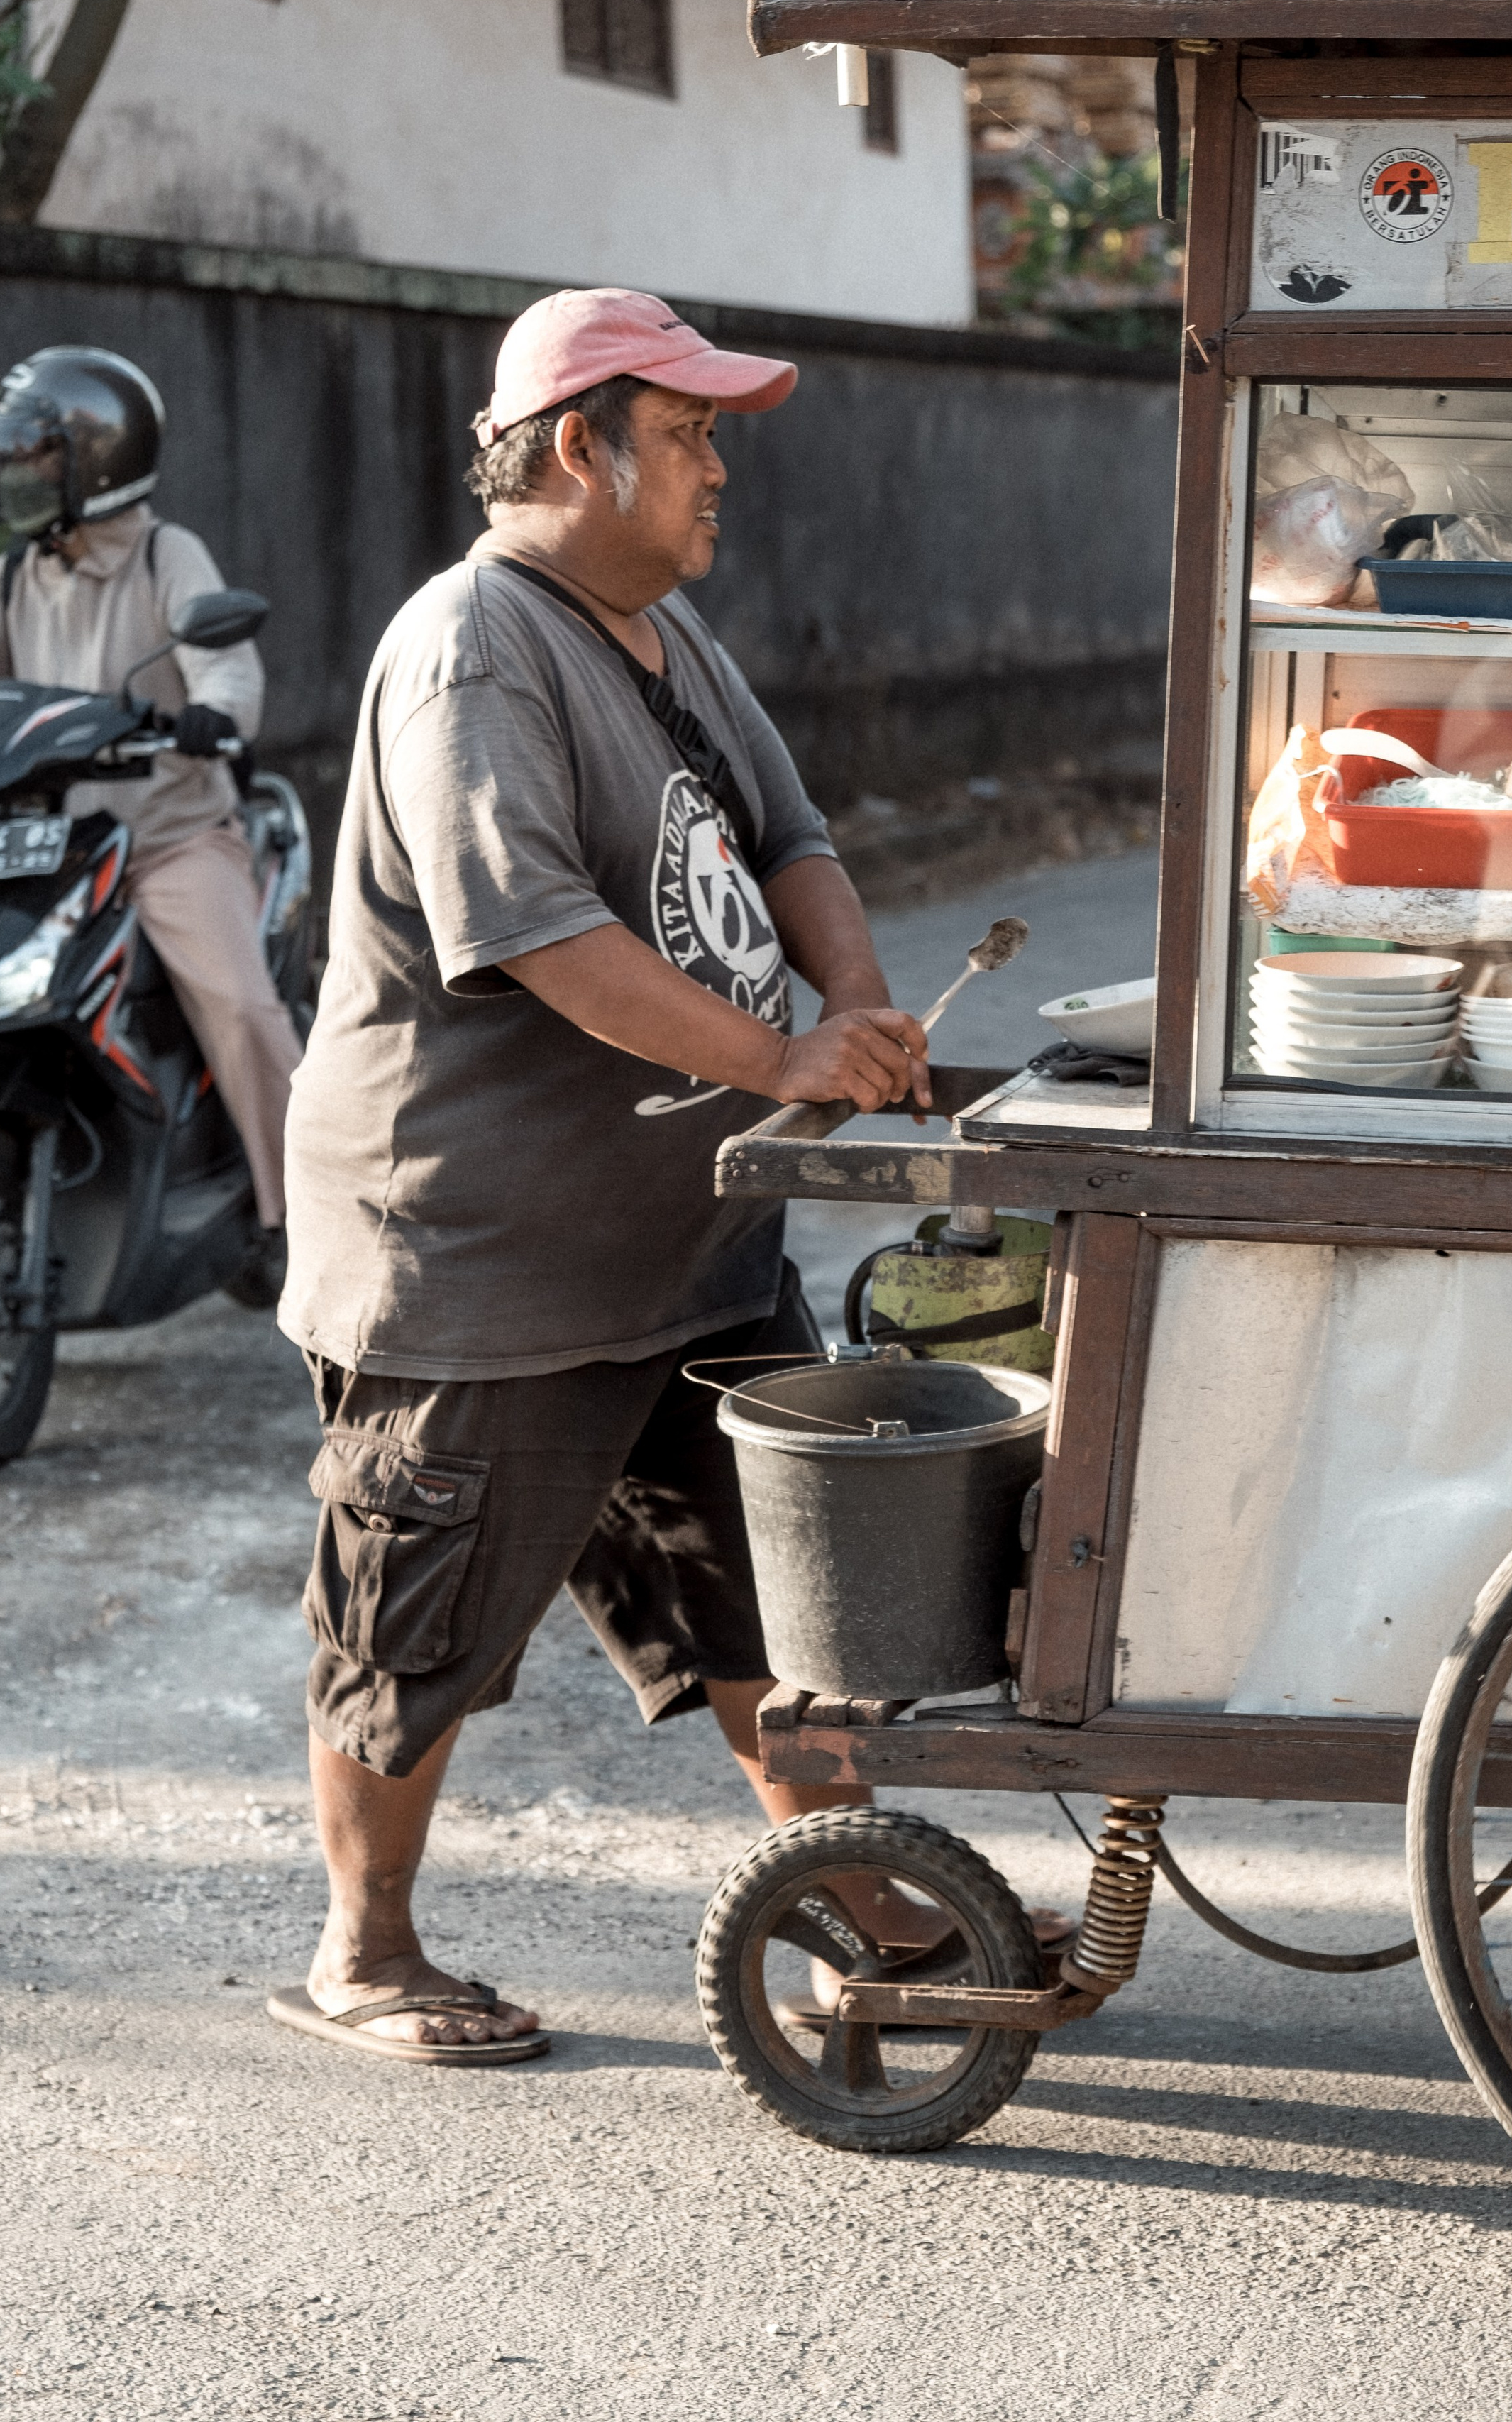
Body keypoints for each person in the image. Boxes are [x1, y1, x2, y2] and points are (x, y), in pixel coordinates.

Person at [268, 286, 966, 2064]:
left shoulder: (664, 635)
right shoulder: (478, 645)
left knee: (778, 1589)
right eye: (689, 434)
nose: (717, 471)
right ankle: (366, 1948)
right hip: (481, 1251)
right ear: (581, 445)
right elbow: (533, 931)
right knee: (407, 1615)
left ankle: (859, 1905)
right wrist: (778, 1058)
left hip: (689, 1244)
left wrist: (861, 1005)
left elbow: (790, 837)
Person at [0, 346, 302, 1241]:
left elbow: (226, 669)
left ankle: (312, 1218)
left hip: (171, 841)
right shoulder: (10, 577)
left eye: (36, 458)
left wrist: (214, 716)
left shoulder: (164, 554)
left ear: (96, 465)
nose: (16, 474)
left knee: (242, 1008)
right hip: (52, 852)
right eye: (13, 458)